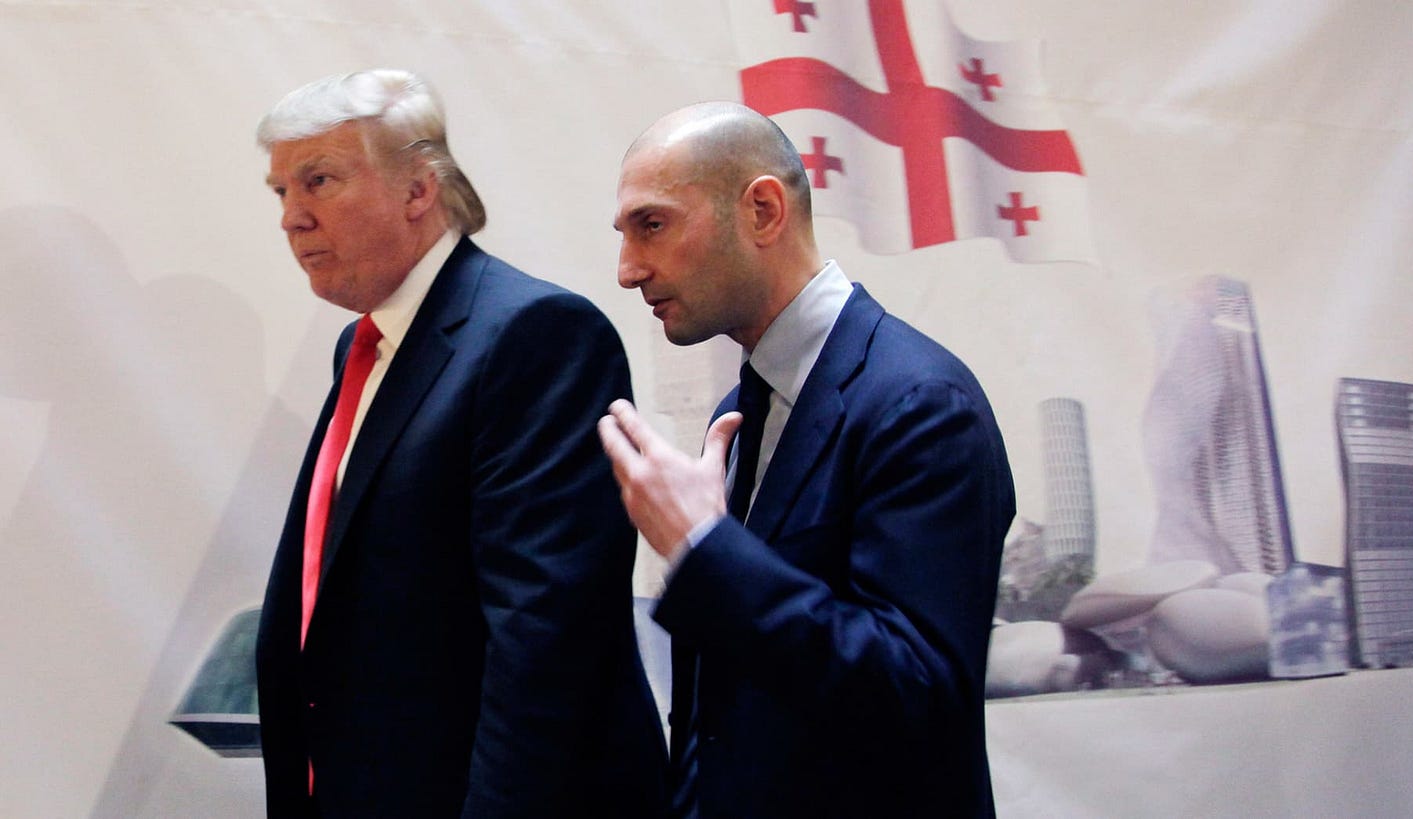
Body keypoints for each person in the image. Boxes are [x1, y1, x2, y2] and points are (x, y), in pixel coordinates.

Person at [253, 69, 665, 817]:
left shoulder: (537, 334)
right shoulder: (365, 343)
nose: (292, 218)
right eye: (281, 191)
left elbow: (544, 639)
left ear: (419, 189)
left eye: (318, 181)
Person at [598, 101, 1015, 818]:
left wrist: (705, 549)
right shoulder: (741, 406)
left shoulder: (921, 403)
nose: (628, 270)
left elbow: (918, 698)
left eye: (653, 224)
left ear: (763, 211)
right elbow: (720, 710)